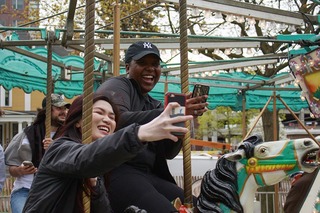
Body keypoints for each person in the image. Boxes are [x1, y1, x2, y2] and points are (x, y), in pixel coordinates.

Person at [22, 93, 193, 212]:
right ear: (78, 122)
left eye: (112, 117)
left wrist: (96, 189)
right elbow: (85, 158)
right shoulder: (59, 149)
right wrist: (140, 133)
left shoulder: (100, 171)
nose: (107, 119)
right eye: (99, 112)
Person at [96, 41, 208, 212]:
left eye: (155, 65)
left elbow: (168, 152)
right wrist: (171, 112)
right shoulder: (118, 85)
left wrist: (182, 120)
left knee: (198, 206)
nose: (150, 69)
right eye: (142, 63)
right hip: (119, 169)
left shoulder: (153, 104)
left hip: (147, 174)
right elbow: (118, 119)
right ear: (127, 67)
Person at [4, 93, 70, 213]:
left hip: (55, 191)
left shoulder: (68, 136)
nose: (64, 112)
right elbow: (11, 167)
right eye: (59, 108)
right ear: (46, 111)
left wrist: (55, 148)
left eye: (65, 108)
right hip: (25, 190)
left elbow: (75, 161)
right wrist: (19, 170)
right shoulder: (26, 134)